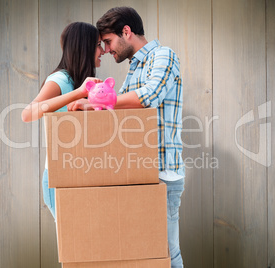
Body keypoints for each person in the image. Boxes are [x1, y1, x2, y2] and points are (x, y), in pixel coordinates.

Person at [68, 7, 185, 268]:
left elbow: (149, 97)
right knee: (142, 254)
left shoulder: (163, 56)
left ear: (127, 32)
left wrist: (98, 102)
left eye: (108, 42)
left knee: (166, 252)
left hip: (162, 174)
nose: (107, 50)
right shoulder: (134, 69)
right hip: (138, 172)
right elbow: (119, 114)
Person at [21, 22, 104, 218]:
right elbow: (27, 114)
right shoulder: (61, 79)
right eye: (99, 45)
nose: (103, 50)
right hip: (60, 178)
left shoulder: (81, 79)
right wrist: (78, 93)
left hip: (80, 175)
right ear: (85, 47)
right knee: (74, 245)